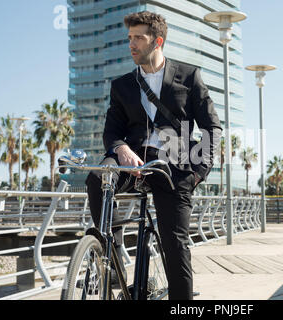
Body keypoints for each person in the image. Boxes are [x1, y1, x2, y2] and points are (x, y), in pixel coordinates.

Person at [85, 11, 222, 300]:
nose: (131, 44)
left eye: (138, 38)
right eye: (129, 38)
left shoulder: (189, 76)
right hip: (130, 158)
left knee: (176, 245)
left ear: (157, 41)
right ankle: (108, 252)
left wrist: (198, 173)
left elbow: (212, 128)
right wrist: (122, 149)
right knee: (97, 178)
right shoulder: (121, 85)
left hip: (174, 165)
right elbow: (111, 132)